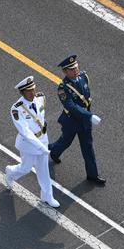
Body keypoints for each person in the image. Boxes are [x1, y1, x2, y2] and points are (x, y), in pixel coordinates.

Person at [48, 54, 106, 186]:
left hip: (85, 121)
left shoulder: (83, 77)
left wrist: (88, 115)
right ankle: (54, 152)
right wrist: (89, 116)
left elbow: (86, 98)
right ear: (65, 71)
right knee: (65, 142)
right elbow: (70, 106)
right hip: (71, 121)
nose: (75, 71)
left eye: (76, 67)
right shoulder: (63, 88)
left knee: (88, 148)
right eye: (71, 69)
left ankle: (92, 175)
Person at [3, 76, 59, 208]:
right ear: (22, 93)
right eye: (29, 91)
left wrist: (43, 144)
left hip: (43, 138)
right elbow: (25, 131)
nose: (33, 93)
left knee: (43, 169)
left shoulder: (40, 98)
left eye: (33, 89)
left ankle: (47, 196)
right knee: (26, 168)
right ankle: (10, 172)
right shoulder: (17, 109)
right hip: (29, 144)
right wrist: (40, 146)